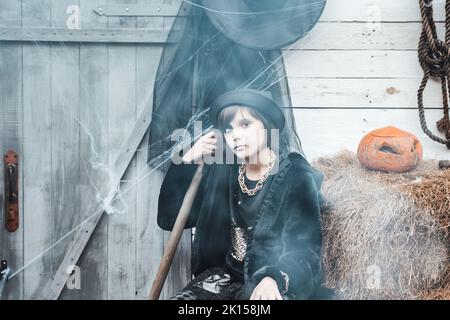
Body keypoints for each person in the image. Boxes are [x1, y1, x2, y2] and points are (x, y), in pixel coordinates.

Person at [157, 89, 327, 300]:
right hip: (222, 279)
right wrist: (188, 160)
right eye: (228, 129)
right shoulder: (223, 171)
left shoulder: (295, 176)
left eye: (245, 124)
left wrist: (274, 278)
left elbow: (306, 250)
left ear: (267, 126)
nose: (235, 135)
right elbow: (169, 219)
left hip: (267, 282)